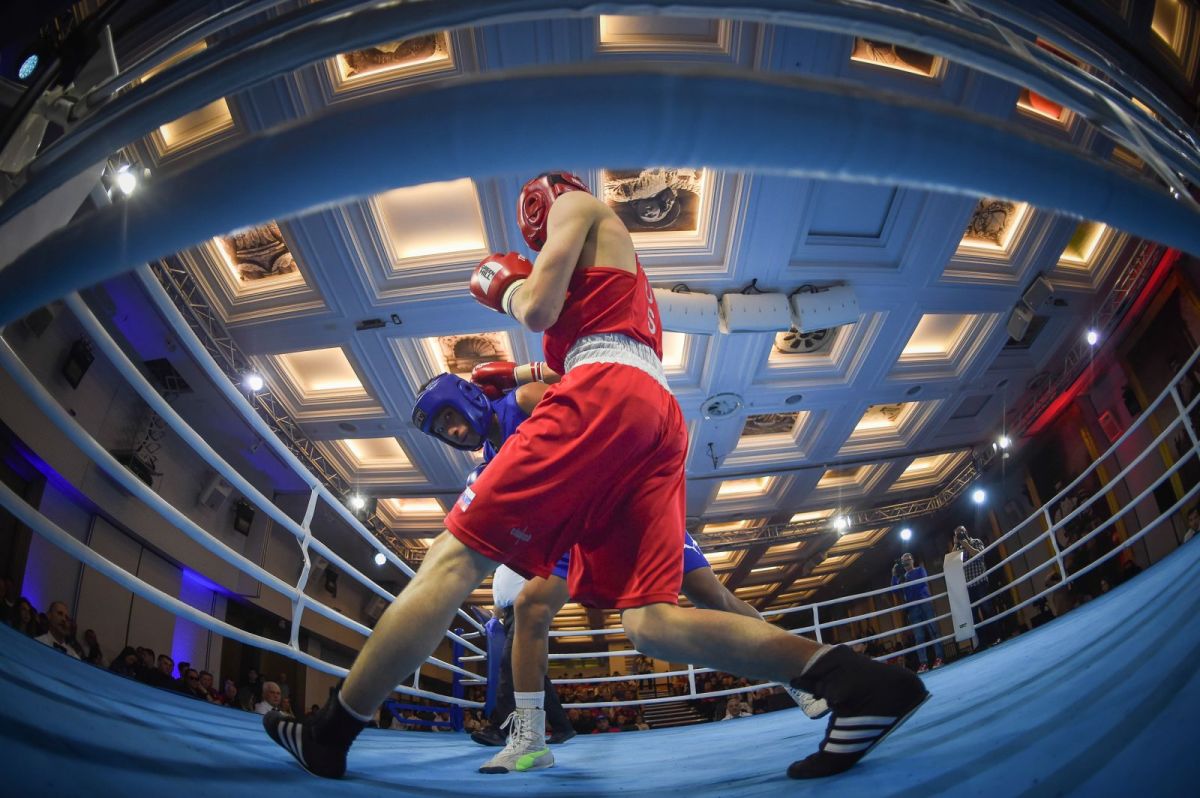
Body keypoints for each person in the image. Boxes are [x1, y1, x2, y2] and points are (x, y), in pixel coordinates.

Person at [263, 171, 927, 783]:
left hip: (605, 397)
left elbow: (536, 310)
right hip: (650, 414)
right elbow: (566, 347)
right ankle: (854, 683)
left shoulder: (577, 205)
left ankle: (331, 734)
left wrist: (507, 287)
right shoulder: (613, 277)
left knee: (454, 557)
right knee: (650, 621)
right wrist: (519, 365)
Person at [413, 371, 830, 763]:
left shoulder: (522, 400)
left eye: (449, 417)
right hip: (578, 528)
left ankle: (797, 675)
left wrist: (527, 371)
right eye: (440, 430)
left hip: (629, 505)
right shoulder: (490, 456)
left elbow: (587, 395)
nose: (452, 432)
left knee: (710, 595)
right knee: (529, 608)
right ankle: (531, 739)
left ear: (465, 398)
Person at [891, 553, 945, 672]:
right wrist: (894, 574)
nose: (906, 562)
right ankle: (923, 663)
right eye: (903, 561)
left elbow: (921, 584)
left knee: (933, 631)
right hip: (912, 608)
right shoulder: (902, 577)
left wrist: (906, 580)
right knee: (919, 637)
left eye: (908, 560)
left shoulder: (920, 570)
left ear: (912, 560)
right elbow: (894, 590)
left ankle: (940, 658)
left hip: (924, 603)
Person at [952, 526, 997, 648]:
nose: (959, 535)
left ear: (966, 532)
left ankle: (995, 637)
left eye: (961, 532)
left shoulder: (976, 541)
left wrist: (966, 544)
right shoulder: (958, 550)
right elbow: (951, 563)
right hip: (968, 586)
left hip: (980, 581)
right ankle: (982, 643)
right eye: (957, 534)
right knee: (974, 615)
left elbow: (980, 555)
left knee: (987, 609)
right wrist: (956, 544)